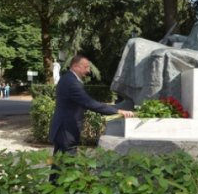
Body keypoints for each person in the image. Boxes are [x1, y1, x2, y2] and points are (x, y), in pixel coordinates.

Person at [48, 55, 134, 183]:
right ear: (75, 66)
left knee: (58, 167)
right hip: (66, 132)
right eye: (85, 67)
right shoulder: (72, 83)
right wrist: (117, 111)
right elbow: (89, 103)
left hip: (62, 129)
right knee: (67, 169)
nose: (88, 70)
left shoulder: (67, 79)